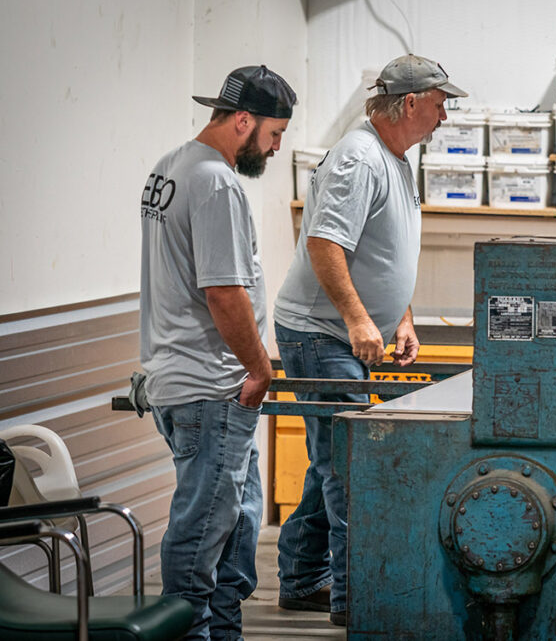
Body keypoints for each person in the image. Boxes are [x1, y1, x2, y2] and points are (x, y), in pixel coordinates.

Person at [272, 54, 466, 625]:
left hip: (346, 330)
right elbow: (326, 245)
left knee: (331, 459)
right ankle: (355, 601)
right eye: (439, 103)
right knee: (352, 464)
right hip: (321, 333)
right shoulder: (359, 159)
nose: (445, 117)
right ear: (410, 103)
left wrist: (400, 318)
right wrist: (360, 320)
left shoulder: (396, 159)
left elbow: (384, 251)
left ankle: (303, 576)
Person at [139, 65, 296, 639]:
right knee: (202, 529)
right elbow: (224, 293)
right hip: (213, 386)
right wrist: (261, 368)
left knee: (238, 521)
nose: (277, 148)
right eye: (274, 134)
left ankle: (223, 632)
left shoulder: (170, 167)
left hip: (191, 380)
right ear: (243, 120)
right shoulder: (216, 183)